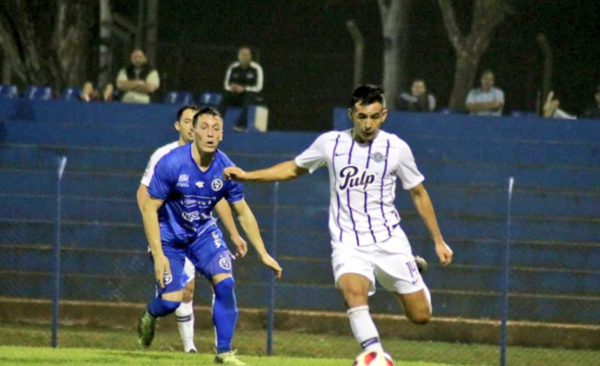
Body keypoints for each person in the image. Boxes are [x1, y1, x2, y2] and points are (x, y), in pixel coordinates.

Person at [223, 85, 453, 361]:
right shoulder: (330, 144)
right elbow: (293, 168)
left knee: (420, 316)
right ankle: (374, 354)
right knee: (353, 293)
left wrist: (438, 240)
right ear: (351, 115)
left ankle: (409, 267)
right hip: (348, 243)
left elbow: (418, 193)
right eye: (362, 117)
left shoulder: (397, 149)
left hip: (390, 241)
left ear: (384, 116)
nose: (368, 124)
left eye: (375, 117)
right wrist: (248, 176)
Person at [138, 107, 282, 366]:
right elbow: (149, 208)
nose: (210, 133)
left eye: (216, 129)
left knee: (225, 283)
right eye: (204, 127)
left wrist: (263, 253)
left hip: (202, 233)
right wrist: (158, 254)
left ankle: (223, 353)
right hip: (170, 238)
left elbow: (242, 212)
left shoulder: (226, 169)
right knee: (171, 302)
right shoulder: (171, 163)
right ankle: (150, 315)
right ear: (193, 132)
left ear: (222, 134)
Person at [221, 46, 264, 131]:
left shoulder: (256, 68)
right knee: (225, 96)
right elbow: (226, 84)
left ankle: (240, 125)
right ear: (238, 56)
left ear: (250, 57)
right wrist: (232, 87)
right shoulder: (233, 67)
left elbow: (259, 87)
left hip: (249, 95)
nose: (244, 57)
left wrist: (245, 89)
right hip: (235, 95)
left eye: (247, 55)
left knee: (249, 97)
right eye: (242, 55)